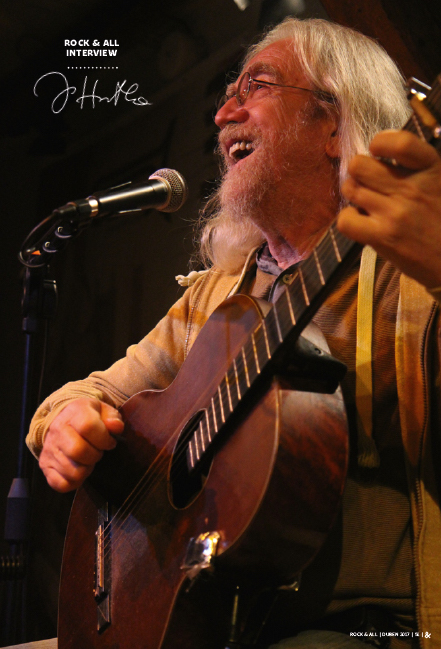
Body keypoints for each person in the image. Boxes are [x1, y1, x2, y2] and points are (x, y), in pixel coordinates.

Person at [27, 17, 441, 649]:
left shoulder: (410, 272)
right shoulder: (213, 296)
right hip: (219, 622)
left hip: (371, 627)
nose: (223, 115)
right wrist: (66, 421)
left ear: (333, 124)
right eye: (227, 95)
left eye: (257, 87)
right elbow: (91, 394)